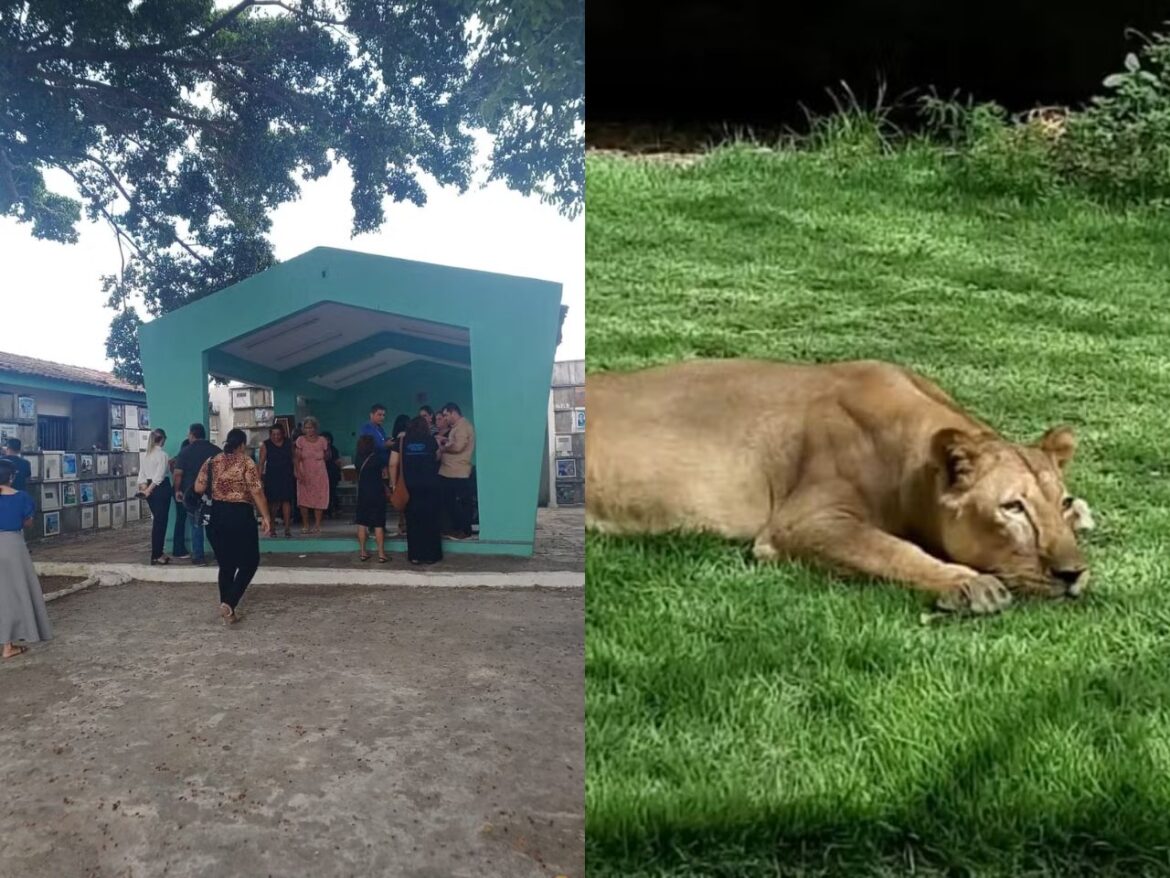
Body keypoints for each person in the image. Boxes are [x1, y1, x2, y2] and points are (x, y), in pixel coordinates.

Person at [194, 428, 273, 624]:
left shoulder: (211, 462)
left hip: (215, 517)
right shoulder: (246, 462)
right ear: (242, 445)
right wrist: (266, 517)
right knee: (250, 562)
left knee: (226, 565)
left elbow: (198, 487)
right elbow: (256, 492)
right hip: (239, 516)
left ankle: (228, 610)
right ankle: (229, 602)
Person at [0, 459, 51, 658]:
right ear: (12, 477)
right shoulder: (22, 497)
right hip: (13, 546)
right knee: (15, 593)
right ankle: (8, 646)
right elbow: (27, 522)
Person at [172, 423, 221, 566]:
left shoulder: (185, 451)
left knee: (196, 525)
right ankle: (220, 555)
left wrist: (177, 490)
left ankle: (199, 557)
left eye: (189, 434)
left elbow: (178, 474)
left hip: (192, 495)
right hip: (213, 495)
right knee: (215, 525)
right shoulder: (216, 451)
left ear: (192, 435)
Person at [401, 415, 442, 565]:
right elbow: (438, 457)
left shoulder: (403, 441)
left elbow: (393, 463)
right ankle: (431, 555)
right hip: (430, 486)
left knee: (413, 521)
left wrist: (394, 484)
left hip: (410, 486)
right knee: (430, 520)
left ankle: (415, 556)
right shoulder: (430, 440)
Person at [437, 402, 476, 540]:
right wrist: (446, 440)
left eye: (446, 415)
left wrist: (443, 446)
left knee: (458, 503)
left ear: (454, 413)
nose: (445, 418)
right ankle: (456, 528)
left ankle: (464, 530)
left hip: (457, 471)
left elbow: (458, 446)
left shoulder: (463, 426)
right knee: (449, 501)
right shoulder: (458, 427)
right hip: (450, 471)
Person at [138, 428, 173, 565]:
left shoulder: (146, 455)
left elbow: (141, 475)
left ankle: (158, 552)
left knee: (157, 522)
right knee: (161, 523)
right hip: (160, 489)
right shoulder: (162, 455)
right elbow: (159, 477)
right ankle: (157, 554)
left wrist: (145, 490)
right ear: (162, 439)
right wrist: (150, 490)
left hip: (148, 488)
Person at [353, 434, 389, 562]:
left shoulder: (357, 458)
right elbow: (385, 474)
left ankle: (363, 552)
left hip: (363, 493)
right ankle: (381, 554)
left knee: (362, 523)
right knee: (379, 524)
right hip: (377, 493)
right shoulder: (378, 458)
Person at [293, 415, 330, 533]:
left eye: (311, 427)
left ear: (316, 428)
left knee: (319, 497)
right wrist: (297, 472)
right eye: (307, 428)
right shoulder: (300, 440)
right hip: (305, 472)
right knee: (304, 498)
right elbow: (296, 458)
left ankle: (317, 524)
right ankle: (305, 525)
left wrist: (327, 451)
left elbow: (328, 455)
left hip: (319, 472)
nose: (309, 430)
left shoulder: (322, 440)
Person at [258, 424, 295, 537]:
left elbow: (294, 459)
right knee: (273, 504)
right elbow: (261, 462)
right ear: (270, 435)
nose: (276, 437)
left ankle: (287, 528)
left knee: (286, 501)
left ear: (283, 434)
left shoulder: (289, 443)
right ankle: (272, 528)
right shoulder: (266, 445)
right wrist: (259, 478)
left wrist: (297, 472)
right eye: (273, 434)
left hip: (287, 475)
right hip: (272, 476)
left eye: (278, 434)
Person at [389, 415, 410, 535]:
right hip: (409, 473)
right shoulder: (411, 439)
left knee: (400, 498)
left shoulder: (396, 441)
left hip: (398, 473)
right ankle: (406, 523)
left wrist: (392, 483)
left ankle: (401, 524)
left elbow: (392, 463)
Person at [322, 431, 342, 519]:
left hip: (332, 474)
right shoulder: (319, 450)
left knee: (332, 492)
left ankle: (332, 509)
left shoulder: (333, 449)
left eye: (328, 440)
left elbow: (338, 462)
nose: (326, 442)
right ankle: (327, 511)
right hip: (322, 474)